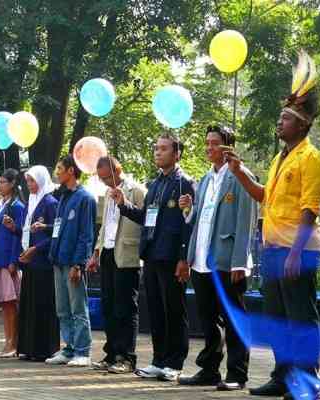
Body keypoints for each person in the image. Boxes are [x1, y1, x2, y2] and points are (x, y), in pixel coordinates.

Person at [225, 52, 320, 400]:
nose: (279, 123)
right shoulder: (278, 158)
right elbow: (264, 196)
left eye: (285, 119)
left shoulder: (312, 158)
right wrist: (239, 172)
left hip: (296, 251)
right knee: (279, 319)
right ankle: (282, 377)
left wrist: (296, 253)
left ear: (301, 124)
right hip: (273, 250)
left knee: (300, 319)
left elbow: (309, 210)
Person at [178, 126, 256, 390]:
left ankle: (236, 374)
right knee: (208, 319)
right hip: (201, 259)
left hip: (226, 259)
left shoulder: (240, 177)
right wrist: (188, 211)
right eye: (207, 143)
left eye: (214, 144)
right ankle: (208, 370)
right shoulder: (205, 179)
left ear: (228, 147)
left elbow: (246, 222)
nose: (209, 148)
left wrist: (239, 261)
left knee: (233, 318)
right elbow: (199, 218)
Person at [113, 134, 195, 382]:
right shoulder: (155, 184)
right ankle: (159, 359)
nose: (158, 152)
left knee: (174, 310)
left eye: (163, 149)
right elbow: (146, 218)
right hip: (151, 254)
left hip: (171, 256)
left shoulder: (184, 183)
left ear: (177, 153)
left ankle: (175, 362)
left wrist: (184, 258)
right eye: (156, 148)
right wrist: (124, 205)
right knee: (157, 310)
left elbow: (187, 223)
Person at [88, 156, 146, 374]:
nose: (104, 182)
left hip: (127, 253)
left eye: (106, 177)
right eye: (101, 179)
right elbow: (104, 225)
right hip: (108, 252)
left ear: (116, 170)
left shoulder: (136, 190)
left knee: (126, 307)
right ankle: (111, 352)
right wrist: (96, 252)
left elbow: (144, 220)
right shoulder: (106, 192)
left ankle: (127, 356)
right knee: (109, 305)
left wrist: (125, 202)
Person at [46, 155, 97, 367]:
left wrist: (79, 264)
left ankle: (83, 351)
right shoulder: (63, 198)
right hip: (59, 260)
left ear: (71, 171)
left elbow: (86, 235)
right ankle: (68, 348)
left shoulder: (85, 198)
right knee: (63, 309)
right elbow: (60, 228)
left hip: (73, 262)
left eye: (60, 168)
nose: (57, 172)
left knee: (78, 308)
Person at [17, 166, 60, 362]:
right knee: (29, 305)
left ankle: (43, 348)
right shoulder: (30, 202)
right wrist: (14, 229)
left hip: (43, 261)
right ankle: (28, 347)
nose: (29, 185)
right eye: (27, 181)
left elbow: (54, 234)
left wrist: (36, 249)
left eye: (32, 181)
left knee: (42, 305)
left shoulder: (50, 203)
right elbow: (27, 231)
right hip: (29, 262)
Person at [0, 169, 25, 358]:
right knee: (4, 304)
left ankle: (13, 343)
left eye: (3, 182)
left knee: (11, 303)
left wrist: (13, 260)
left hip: (7, 261)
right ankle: (7, 340)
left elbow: (18, 236)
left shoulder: (17, 206)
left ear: (12, 184)